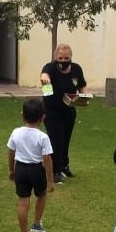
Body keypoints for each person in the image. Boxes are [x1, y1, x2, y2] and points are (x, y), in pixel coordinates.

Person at [7, 98, 55, 232]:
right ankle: (36, 223)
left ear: (22, 115)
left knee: (23, 202)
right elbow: (47, 160)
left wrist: (11, 170)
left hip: (21, 169)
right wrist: (50, 180)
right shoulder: (43, 137)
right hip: (37, 170)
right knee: (41, 195)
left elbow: (11, 152)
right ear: (43, 118)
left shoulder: (16, 132)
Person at [39, 43, 87, 185]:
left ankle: (64, 166)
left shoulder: (76, 69)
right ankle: (55, 171)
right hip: (52, 111)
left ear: (71, 57)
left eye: (67, 58)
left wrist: (84, 97)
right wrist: (45, 80)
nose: (64, 60)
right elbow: (44, 76)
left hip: (69, 111)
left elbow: (82, 84)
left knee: (65, 140)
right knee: (56, 141)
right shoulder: (50, 67)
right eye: (60, 57)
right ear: (56, 57)